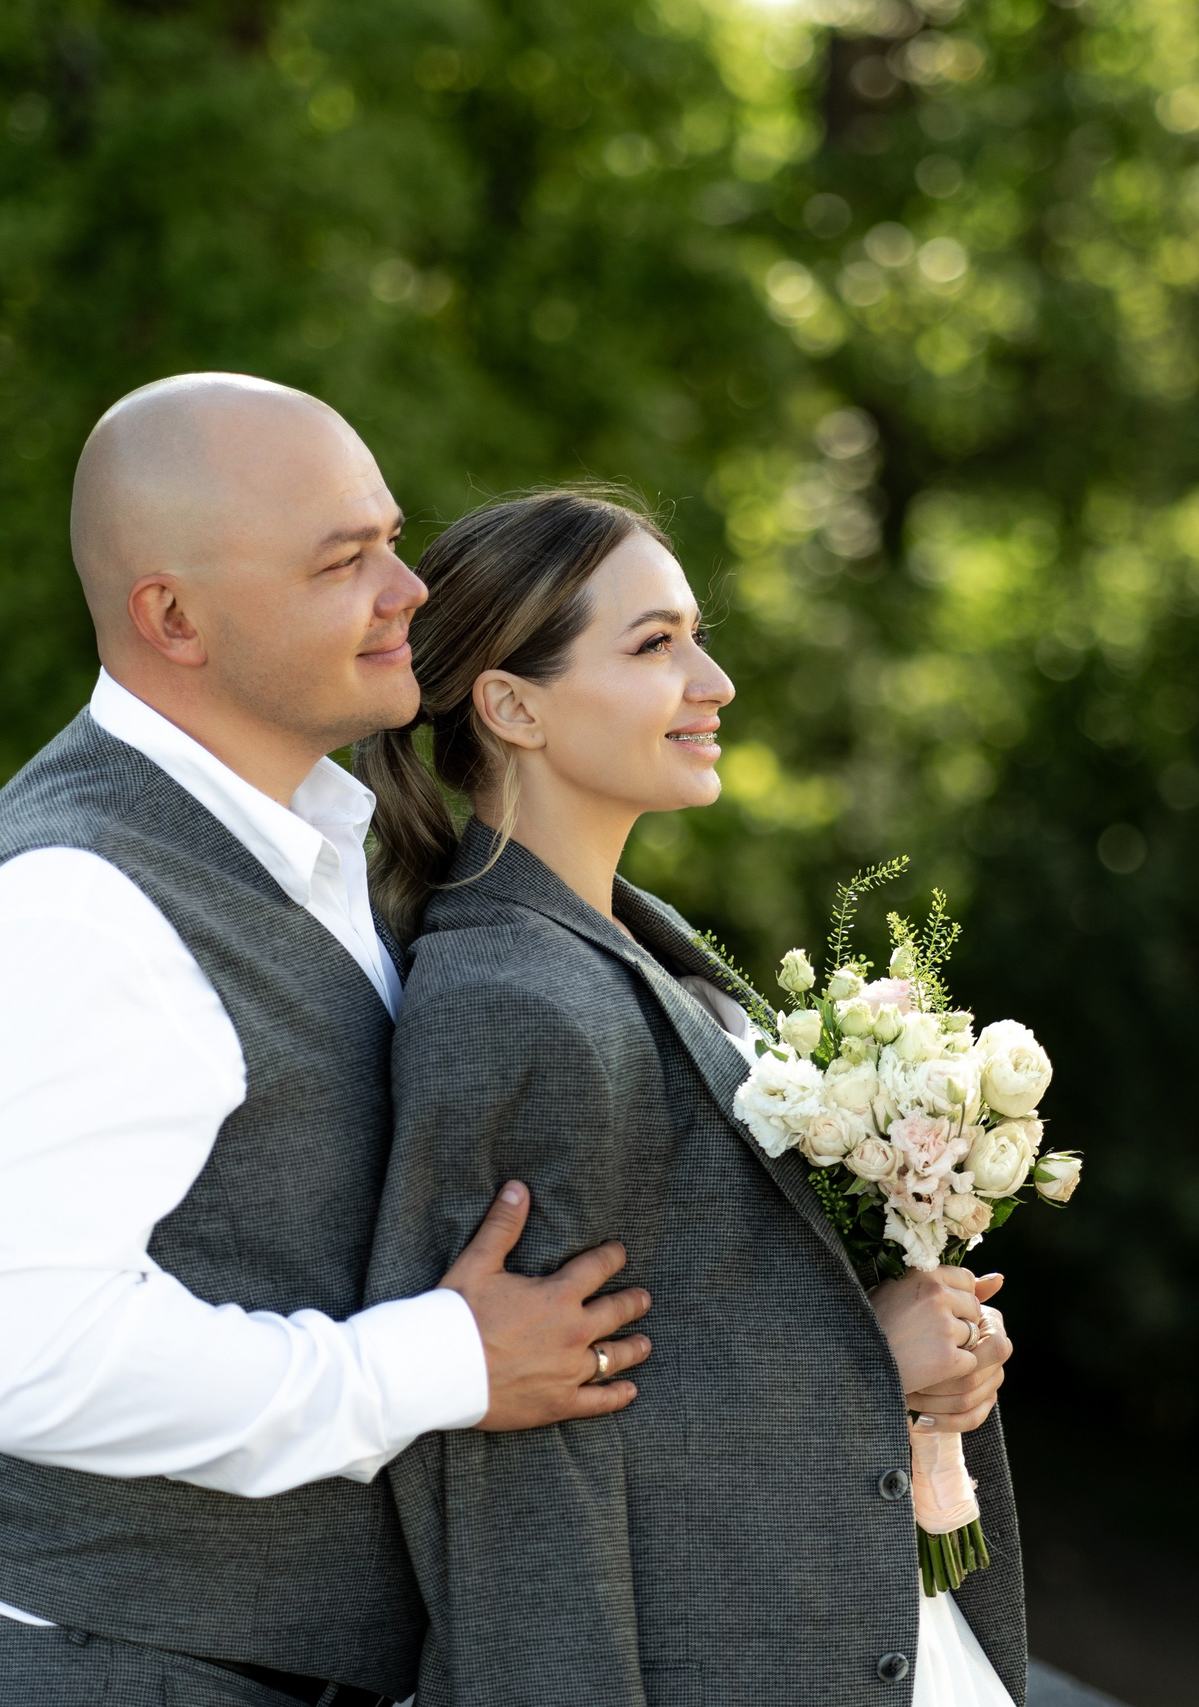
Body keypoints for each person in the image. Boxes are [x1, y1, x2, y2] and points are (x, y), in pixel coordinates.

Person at [0, 379, 659, 1707]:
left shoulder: (334, 843)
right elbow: (44, 1362)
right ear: (173, 616)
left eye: (390, 538)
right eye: (345, 561)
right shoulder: (72, 901)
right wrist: (441, 1359)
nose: (408, 588)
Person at [361, 487, 1027, 1707]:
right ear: (512, 705)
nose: (712, 681)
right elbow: (521, 1460)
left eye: (696, 634)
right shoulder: (510, 1000)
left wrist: (923, 1350)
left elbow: (706, 1321)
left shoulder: (635, 947)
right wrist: (871, 1362)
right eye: (655, 644)